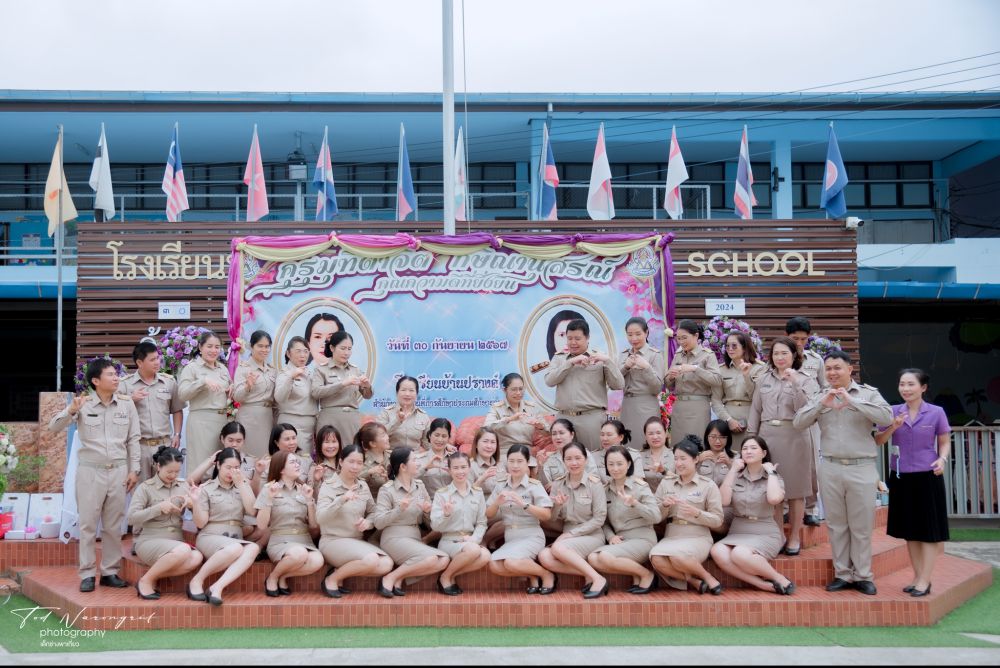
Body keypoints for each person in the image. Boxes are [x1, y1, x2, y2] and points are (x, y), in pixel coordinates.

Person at [793, 350, 893, 596]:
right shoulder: (821, 395)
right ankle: (842, 574)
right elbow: (798, 422)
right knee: (837, 524)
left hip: (861, 466)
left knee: (861, 525)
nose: (832, 373)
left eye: (837, 368)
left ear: (850, 369)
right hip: (830, 466)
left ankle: (863, 575)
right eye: (828, 368)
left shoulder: (867, 393)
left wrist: (852, 401)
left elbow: (886, 417)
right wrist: (821, 404)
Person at [49, 357, 140, 592]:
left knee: (113, 526)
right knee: (88, 525)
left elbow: (133, 439)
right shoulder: (83, 404)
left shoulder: (126, 404)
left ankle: (110, 572)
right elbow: (53, 427)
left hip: (118, 471)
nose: (116, 378)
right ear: (96, 381)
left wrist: (134, 469)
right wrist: (71, 410)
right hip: (90, 472)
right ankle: (88, 573)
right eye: (111, 374)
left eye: (116, 374)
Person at [874, 368, 951, 597]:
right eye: (902, 384)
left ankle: (925, 580)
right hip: (901, 476)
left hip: (928, 475)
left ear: (923, 387)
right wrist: (893, 426)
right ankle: (918, 577)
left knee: (928, 531)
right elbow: (879, 441)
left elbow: (944, 441)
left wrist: (942, 459)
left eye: (911, 384)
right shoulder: (892, 411)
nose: (905, 389)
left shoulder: (936, 412)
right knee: (911, 531)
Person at [748, 336, 819, 556]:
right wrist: (752, 438)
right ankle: (778, 534)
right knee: (773, 488)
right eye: (776, 353)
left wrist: (795, 383)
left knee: (796, 491)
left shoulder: (806, 379)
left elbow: (806, 409)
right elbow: (756, 409)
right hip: (768, 436)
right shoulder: (763, 379)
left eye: (784, 353)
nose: (780, 357)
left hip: (795, 435)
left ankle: (795, 536)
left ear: (794, 355)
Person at [711, 436, 795, 595]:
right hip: (738, 531)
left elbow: (774, 499)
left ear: (764, 453)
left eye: (753, 448)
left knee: (739, 553)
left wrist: (771, 472)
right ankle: (762, 585)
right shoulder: (735, 475)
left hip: (764, 532)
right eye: (745, 448)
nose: (748, 451)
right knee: (717, 551)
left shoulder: (773, 477)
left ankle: (778, 578)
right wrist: (733, 470)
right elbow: (723, 501)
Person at [316, 444, 393, 598]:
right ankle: (331, 580)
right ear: (341, 462)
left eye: (359, 463)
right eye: (351, 462)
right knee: (371, 559)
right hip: (333, 540)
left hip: (356, 541)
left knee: (386, 564)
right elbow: (320, 518)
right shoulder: (328, 485)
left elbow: (373, 512)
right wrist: (341, 499)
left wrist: (368, 523)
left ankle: (339, 571)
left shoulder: (362, 486)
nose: (355, 467)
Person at [650, 435, 725, 594]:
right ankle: (693, 581)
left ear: (696, 459)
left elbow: (718, 520)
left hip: (698, 536)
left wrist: (697, 513)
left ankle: (708, 577)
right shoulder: (667, 483)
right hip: (672, 535)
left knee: (677, 556)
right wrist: (664, 505)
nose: (678, 463)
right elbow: (655, 516)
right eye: (676, 459)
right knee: (655, 558)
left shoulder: (708, 485)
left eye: (683, 459)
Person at [126, 446, 202, 599]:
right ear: (158, 466)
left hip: (176, 543)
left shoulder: (183, 486)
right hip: (150, 541)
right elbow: (131, 518)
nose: (173, 475)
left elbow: (199, 520)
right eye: (169, 471)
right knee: (184, 550)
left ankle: (150, 577)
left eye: (177, 472)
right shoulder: (145, 488)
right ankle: (146, 582)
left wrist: (194, 504)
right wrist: (158, 508)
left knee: (197, 557)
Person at [373, 447, 450, 597]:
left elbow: (431, 523)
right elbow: (378, 523)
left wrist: (427, 512)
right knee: (431, 558)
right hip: (394, 537)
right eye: (414, 460)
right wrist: (399, 509)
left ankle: (397, 577)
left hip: (414, 537)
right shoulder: (387, 490)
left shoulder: (420, 486)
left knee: (444, 559)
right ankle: (389, 579)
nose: (418, 463)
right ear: (403, 466)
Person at [188, 447, 260, 604]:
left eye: (236, 468)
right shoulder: (206, 488)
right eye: (228, 467)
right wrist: (196, 502)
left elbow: (252, 511)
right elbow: (200, 523)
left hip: (234, 538)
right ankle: (197, 580)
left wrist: (241, 484)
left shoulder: (243, 485)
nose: (232, 472)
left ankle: (217, 587)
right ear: (218, 465)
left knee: (253, 548)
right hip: (210, 536)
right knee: (236, 548)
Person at [538, 442, 609, 599]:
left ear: (585, 459)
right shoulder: (558, 483)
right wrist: (557, 505)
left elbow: (599, 519)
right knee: (544, 556)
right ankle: (589, 574)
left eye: (578, 458)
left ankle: (599, 579)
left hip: (591, 534)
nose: (574, 463)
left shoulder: (594, 484)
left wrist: (571, 534)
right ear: (564, 461)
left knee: (557, 548)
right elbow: (552, 518)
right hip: (568, 536)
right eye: (569, 459)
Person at [587, 446, 660, 595]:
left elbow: (656, 516)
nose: (615, 468)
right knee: (593, 558)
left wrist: (635, 504)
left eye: (619, 464)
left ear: (628, 464)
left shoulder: (640, 487)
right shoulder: (605, 490)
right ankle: (637, 573)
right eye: (611, 464)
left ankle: (647, 575)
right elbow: (602, 521)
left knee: (605, 556)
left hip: (642, 538)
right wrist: (610, 536)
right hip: (621, 540)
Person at [544, 319, 625, 452]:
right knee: (565, 457)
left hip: (591, 419)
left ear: (587, 338)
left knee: (594, 456)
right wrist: (570, 363)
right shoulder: (560, 358)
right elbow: (549, 381)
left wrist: (608, 362)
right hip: (564, 418)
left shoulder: (599, 358)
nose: (573, 342)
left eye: (577, 338)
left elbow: (618, 385)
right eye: (569, 338)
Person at [486, 444, 556, 593]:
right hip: (511, 536)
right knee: (494, 565)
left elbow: (546, 515)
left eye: (519, 461)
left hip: (531, 535)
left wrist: (524, 504)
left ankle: (546, 574)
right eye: (511, 461)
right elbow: (489, 514)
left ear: (527, 463)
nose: (515, 466)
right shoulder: (501, 485)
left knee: (511, 563)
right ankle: (532, 575)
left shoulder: (534, 485)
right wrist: (496, 503)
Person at [254, 451, 325, 596]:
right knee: (299, 553)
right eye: (292, 462)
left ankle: (283, 576)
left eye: (297, 462)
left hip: (304, 539)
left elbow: (313, 525)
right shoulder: (269, 489)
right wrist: (269, 499)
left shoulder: (304, 489)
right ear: (281, 469)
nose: (297, 465)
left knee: (318, 561)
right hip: (281, 541)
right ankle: (272, 578)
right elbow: (261, 525)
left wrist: (309, 500)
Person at [119, 341, 184, 482]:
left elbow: (177, 409)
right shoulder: (125, 384)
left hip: (164, 445)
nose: (157, 362)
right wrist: (130, 399)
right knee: (139, 489)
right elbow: (113, 411)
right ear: (139, 362)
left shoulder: (168, 382)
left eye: (158, 358)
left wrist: (177, 434)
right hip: (139, 447)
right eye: (152, 359)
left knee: (166, 487)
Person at [431, 452, 491, 595]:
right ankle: (446, 578)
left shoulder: (477, 493)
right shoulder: (442, 494)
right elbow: (435, 526)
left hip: (469, 540)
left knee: (485, 556)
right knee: (474, 550)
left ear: (469, 468)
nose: (460, 472)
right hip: (449, 540)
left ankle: (448, 575)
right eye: (456, 468)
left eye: (463, 467)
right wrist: (446, 515)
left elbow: (482, 522)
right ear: (449, 470)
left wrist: (474, 539)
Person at [786, 316, 826, 527]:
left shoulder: (816, 360)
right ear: (787, 337)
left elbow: (825, 388)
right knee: (785, 463)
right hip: (786, 418)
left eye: (803, 339)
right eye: (795, 339)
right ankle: (786, 509)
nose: (800, 343)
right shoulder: (780, 357)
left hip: (810, 419)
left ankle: (811, 509)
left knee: (812, 466)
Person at [177, 330, 232, 468]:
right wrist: (202, 381)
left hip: (222, 421)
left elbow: (227, 391)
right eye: (209, 346)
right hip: (201, 422)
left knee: (219, 464)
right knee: (201, 464)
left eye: (217, 347)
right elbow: (182, 394)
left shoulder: (223, 369)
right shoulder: (191, 368)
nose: (213, 350)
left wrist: (232, 388)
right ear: (200, 347)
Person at [665, 319, 722, 446]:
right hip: (679, 407)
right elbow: (668, 384)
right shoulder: (678, 355)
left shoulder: (707, 355)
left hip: (698, 407)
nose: (681, 342)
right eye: (678, 338)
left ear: (696, 336)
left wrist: (695, 369)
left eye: (684, 338)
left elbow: (717, 380)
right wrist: (671, 377)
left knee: (697, 445)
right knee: (678, 445)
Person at [311, 331, 373, 448]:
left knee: (352, 452)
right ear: (332, 348)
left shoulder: (355, 370)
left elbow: (367, 395)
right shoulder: (321, 369)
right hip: (330, 419)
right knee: (329, 452)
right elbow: (316, 392)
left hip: (351, 420)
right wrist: (342, 384)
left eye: (349, 349)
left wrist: (367, 385)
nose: (346, 353)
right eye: (343, 348)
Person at [711, 332, 767, 451]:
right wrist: (729, 420)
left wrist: (746, 376)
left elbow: (757, 397)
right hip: (727, 416)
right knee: (729, 454)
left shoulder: (760, 368)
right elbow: (715, 400)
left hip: (751, 416)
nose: (730, 349)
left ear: (745, 347)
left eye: (734, 345)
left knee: (750, 452)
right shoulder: (721, 369)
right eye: (727, 346)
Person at [619, 317, 666, 444]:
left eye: (638, 334)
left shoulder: (655, 355)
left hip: (646, 405)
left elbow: (657, 387)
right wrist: (625, 367)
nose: (633, 338)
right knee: (627, 444)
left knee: (645, 443)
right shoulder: (624, 355)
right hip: (627, 406)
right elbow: (615, 382)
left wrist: (646, 367)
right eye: (630, 335)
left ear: (646, 333)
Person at [484, 372, 550, 461]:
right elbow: (486, 428)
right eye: (514, 389)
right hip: (505, 454)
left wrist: (540, 427)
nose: (518, 393)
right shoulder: (497, 408)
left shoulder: (532, 408)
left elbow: (549, 432)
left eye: (521, 389)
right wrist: (510, 419)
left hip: (526, 454)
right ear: (505, 390)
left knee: (535, 467)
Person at [232, 330, 277, 460]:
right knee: (249, 457)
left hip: (268, 418)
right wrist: (247, 386)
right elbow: (237, 396)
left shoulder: (272, 370)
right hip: (249, 418)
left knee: (266, 456)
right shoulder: (243, 368)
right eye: (260, 346)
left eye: (267, 346)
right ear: (251, 347)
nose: (264, 350)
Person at [274, 336, 318, 458]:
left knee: (307, 461)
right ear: (288, 353)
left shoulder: (310, 373)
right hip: (291, 424)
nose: (303, 355)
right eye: (298, 351)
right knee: (293, 461)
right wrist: (291, 377)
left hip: (310, 425)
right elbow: (279, 397)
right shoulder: (285, 373)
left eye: (306, 351)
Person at [536, 418, 599, 489]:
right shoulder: (549, 459)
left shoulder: (584, 453)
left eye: (561, 433)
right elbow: (545, 486)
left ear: (572, 434)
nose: (557, 437)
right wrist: (540, 466)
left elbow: (594, 478)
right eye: (554, 434)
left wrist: (560, 485)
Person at [376, 376, 431, 450]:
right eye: (403, 390)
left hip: (414, 456)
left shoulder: (423, 416)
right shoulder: (386, 413)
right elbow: (377, 436)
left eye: (411, 390)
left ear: (417, 394)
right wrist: (397, 421)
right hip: (390, 455)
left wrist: (441, 450)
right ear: (397, 392)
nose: (407, 394)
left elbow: (427, 442)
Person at [594, 419, 645, 483]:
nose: (604, 438)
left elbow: (638, 481)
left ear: (621, 437)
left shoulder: (633, 456)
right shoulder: (593, 457)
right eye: (602, 435)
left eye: (609, 435)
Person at [416, 418, 455, 498]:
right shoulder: (418, 459)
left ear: (448, 438)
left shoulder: (455, 459)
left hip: (453, 501)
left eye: (444, 436)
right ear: (430, 435)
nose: (440, 439)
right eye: (436, 435)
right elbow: (408, 480)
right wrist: (425, 468)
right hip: (430, 503)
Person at [358, 421, 392, 498]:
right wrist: (369, 472)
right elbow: (354, 480)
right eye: (383, 435)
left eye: (386, 434)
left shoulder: (392, 456)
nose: (387, 437)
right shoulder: (361, 460)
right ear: (373, 443)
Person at [640, 417, 674, 491]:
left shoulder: (675, 455)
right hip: (646, 497)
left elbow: (683, 480)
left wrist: (664, 471)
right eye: (650, 434)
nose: (655, 437)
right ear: (645, 436)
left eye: (658, 433)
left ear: (666, 433)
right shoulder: (639, 457)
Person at [310, 425, 342, 495]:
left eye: (334, 441)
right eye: (326, 442)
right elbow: (312, 497)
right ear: (319, 445)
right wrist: (317, 480)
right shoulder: (315, 468)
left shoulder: (345, 463)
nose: (331, 446)